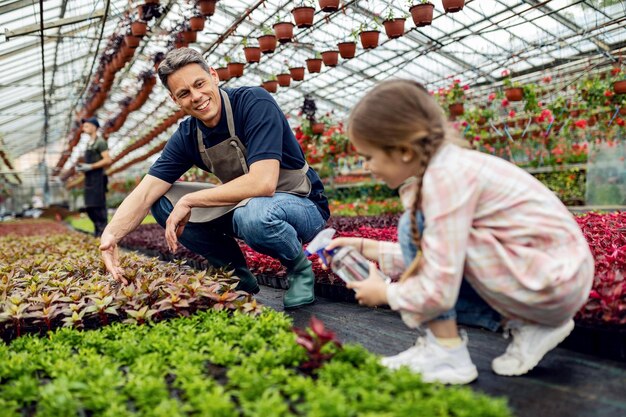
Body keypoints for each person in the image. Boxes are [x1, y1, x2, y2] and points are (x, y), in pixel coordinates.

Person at [324, 79, 594, 384]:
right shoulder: (447, 168)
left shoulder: (447, 179)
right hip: (553, 277)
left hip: (552, 280)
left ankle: (446, 354)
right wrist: (366, 248)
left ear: (403, 150)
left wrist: (386, 292)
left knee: (413, 222)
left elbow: (439, 281)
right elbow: (444, 254)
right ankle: (529, 325)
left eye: (369, 156)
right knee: (419, 226)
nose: (367, 166)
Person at [99, 48, 330, 308]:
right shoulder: (188, 135)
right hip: (249, 204)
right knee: (162, 201)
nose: (196, 97)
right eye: (184, 93)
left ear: (214, 76)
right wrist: (110, 237)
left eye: (199, 84)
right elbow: (145, 192)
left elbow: (262, 183)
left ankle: (299, 269)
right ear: (175, 100)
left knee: (253, 214)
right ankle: (236, 274)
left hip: (302, 204)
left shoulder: (253, 103)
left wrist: (190, 200)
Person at [76, 116, 112, 237]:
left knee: (99, 206)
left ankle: (103, 231)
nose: (84, 128)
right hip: (89, 180)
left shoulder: (100, 142)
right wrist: (83, 167)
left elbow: (107, 160)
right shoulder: (89, 143)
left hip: (98, 179)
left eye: (86, 125)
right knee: (90, 207)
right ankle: (97, 229)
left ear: (93, 127)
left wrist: (90, 166)